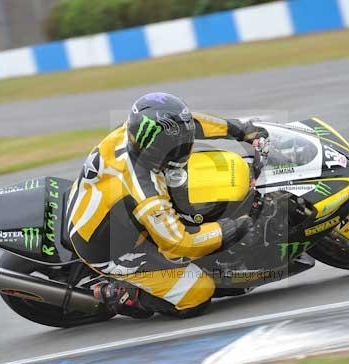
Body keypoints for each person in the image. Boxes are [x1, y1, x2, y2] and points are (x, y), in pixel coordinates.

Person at [66, 92, 266, 319]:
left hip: (100, 204)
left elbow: (188, 124)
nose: (186, 147)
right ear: (156, 148)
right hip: (111, 249)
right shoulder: (144, 190)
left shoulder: (138, 131)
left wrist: (239, 129)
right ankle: (124, 293)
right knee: (198, 292)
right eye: (176, 146)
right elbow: (179, 242)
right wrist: (229, 229)